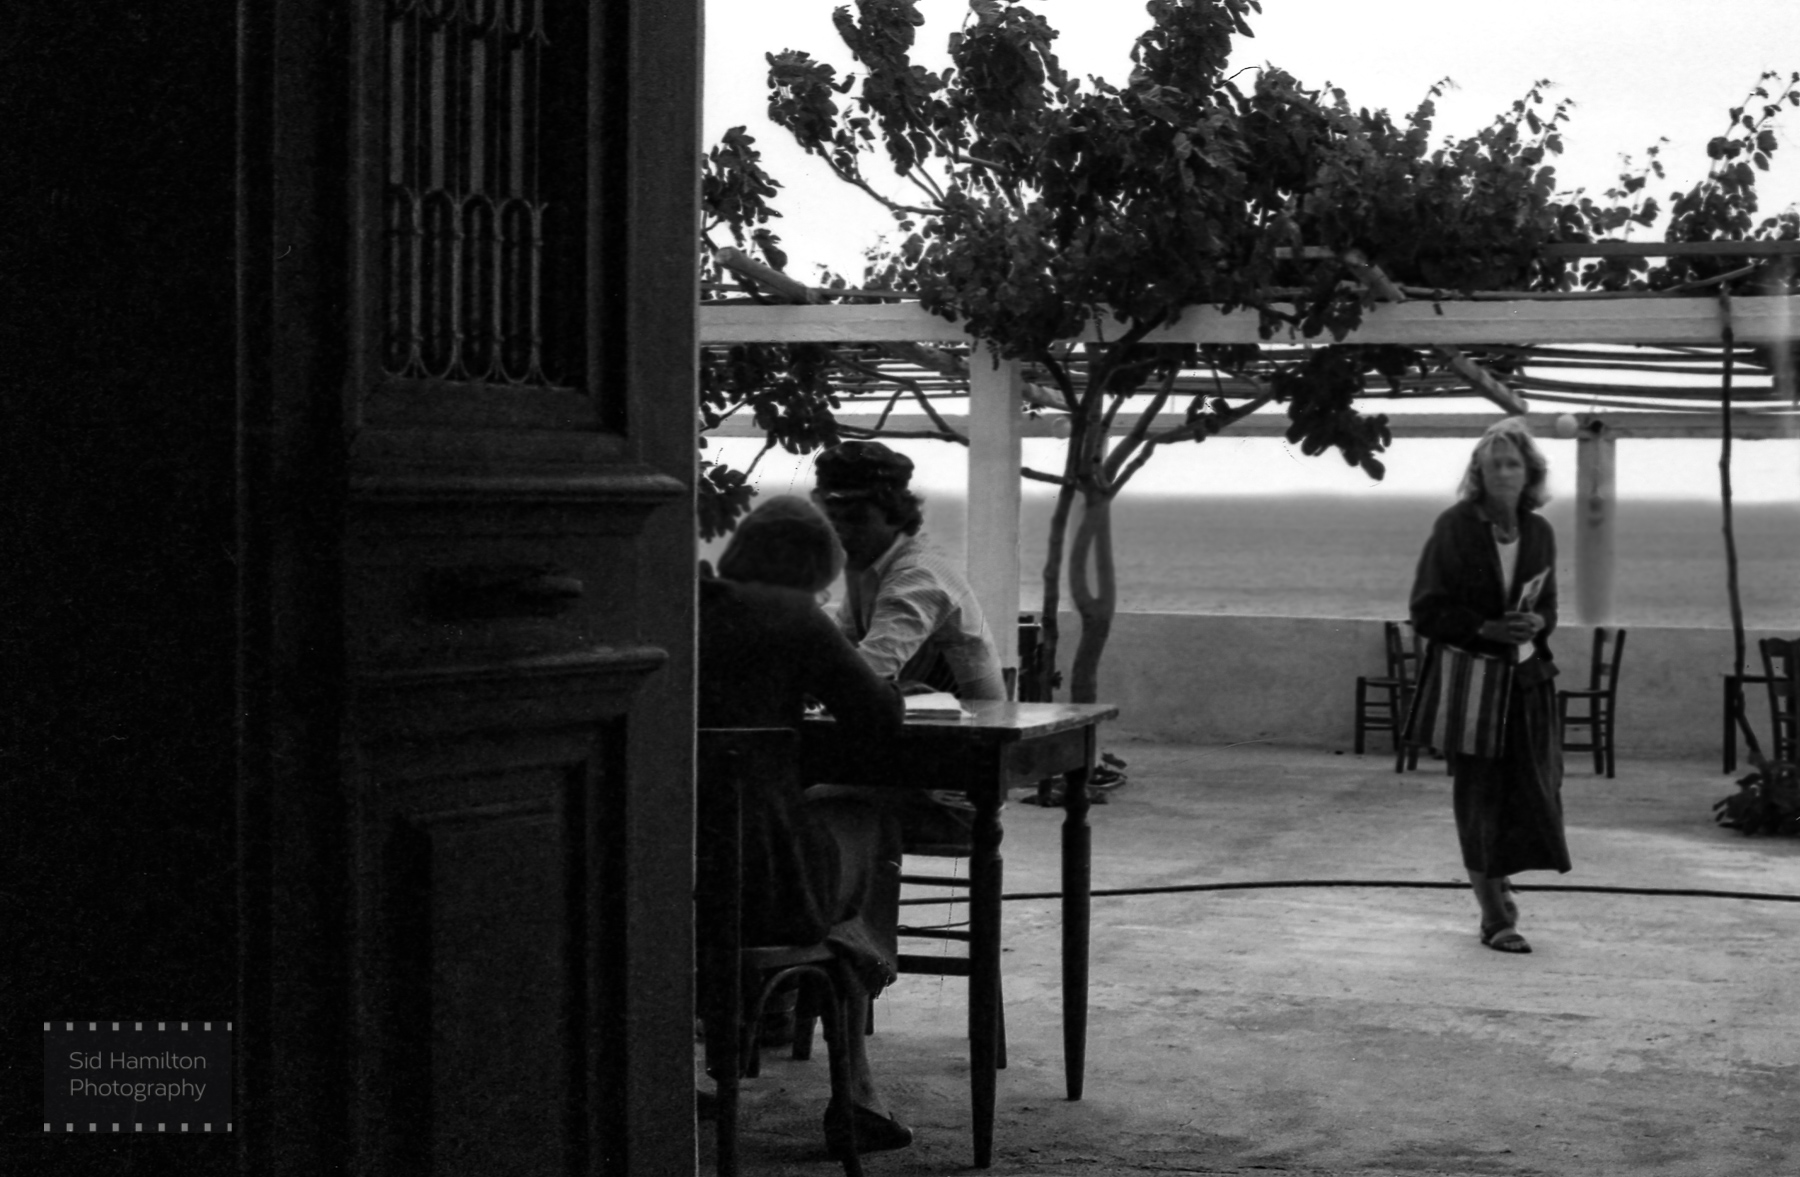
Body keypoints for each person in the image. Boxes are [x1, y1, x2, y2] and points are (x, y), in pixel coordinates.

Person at [697, 495, 915, 1156]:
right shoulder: (794, 615)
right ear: (815, 569)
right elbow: (878, 716)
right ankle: (857, 1090)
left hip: (653, 886)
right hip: (765, 893)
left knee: (792, 834)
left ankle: (757, 1016)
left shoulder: (676, 608)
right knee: (866, 820)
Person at [1409, 418, 1572, 954]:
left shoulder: (1539, 532)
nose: (1503, 471)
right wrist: (1485, 628)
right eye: (1493, 463)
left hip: (1528, 681)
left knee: (1534, 790)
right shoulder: (1455, 526)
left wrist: (1538, 622)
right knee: (1479, 797)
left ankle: (1498, 878)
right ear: (1478, 472)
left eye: (1512, 463)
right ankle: (1494, 917)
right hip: (1474, 686)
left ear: (1529, 472)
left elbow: (1549, 604)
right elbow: (1425, 609)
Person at [808, 440, 1006, 838]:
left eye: (856, 519)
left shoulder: (917, 575)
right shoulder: (869, 569)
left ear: (894, 515)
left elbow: (864, 672)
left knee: (791, 807)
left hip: (950, 790)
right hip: (907, 760)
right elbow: (838, 656)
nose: (841, 533)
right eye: (832, 520)